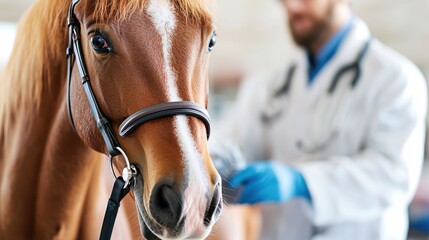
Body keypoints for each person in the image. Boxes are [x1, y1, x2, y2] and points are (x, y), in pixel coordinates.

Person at [213, 0, 428, 239]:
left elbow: (392, 176)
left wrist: (301, 182)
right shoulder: (271, 82)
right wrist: (211, 165)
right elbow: (229, 142)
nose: (291, 7)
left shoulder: (395, 79)